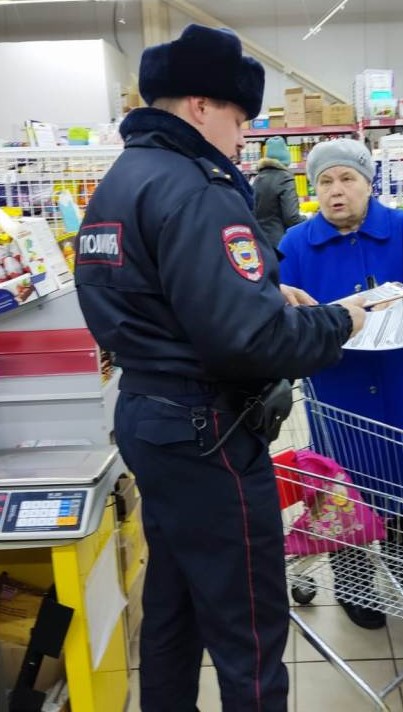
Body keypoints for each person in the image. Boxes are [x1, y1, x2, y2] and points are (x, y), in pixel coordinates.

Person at [73, 25, 366, 712]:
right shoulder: (199, 187)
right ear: (201, 107)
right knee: (251, 631)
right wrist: (337, 321)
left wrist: (264, 294)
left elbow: (160, 300)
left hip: (149, 419)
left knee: (171, 607)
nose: (244, 139)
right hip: (209, 438)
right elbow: (246, 343)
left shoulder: (120, 182)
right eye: (240, 121)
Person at [278, 138, 403, 630]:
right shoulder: (297, 244)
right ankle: (351, 579)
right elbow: (273, 311)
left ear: (368, 183)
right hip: (339, 395)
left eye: (346, 179)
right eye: (324, 182)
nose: (335, 191)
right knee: (342, 490)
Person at [253, 135, 305, 248]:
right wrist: (309, 220)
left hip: (260, 241)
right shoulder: (285, 177)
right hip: (280, 242)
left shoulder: (258, 178)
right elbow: (292, 218)